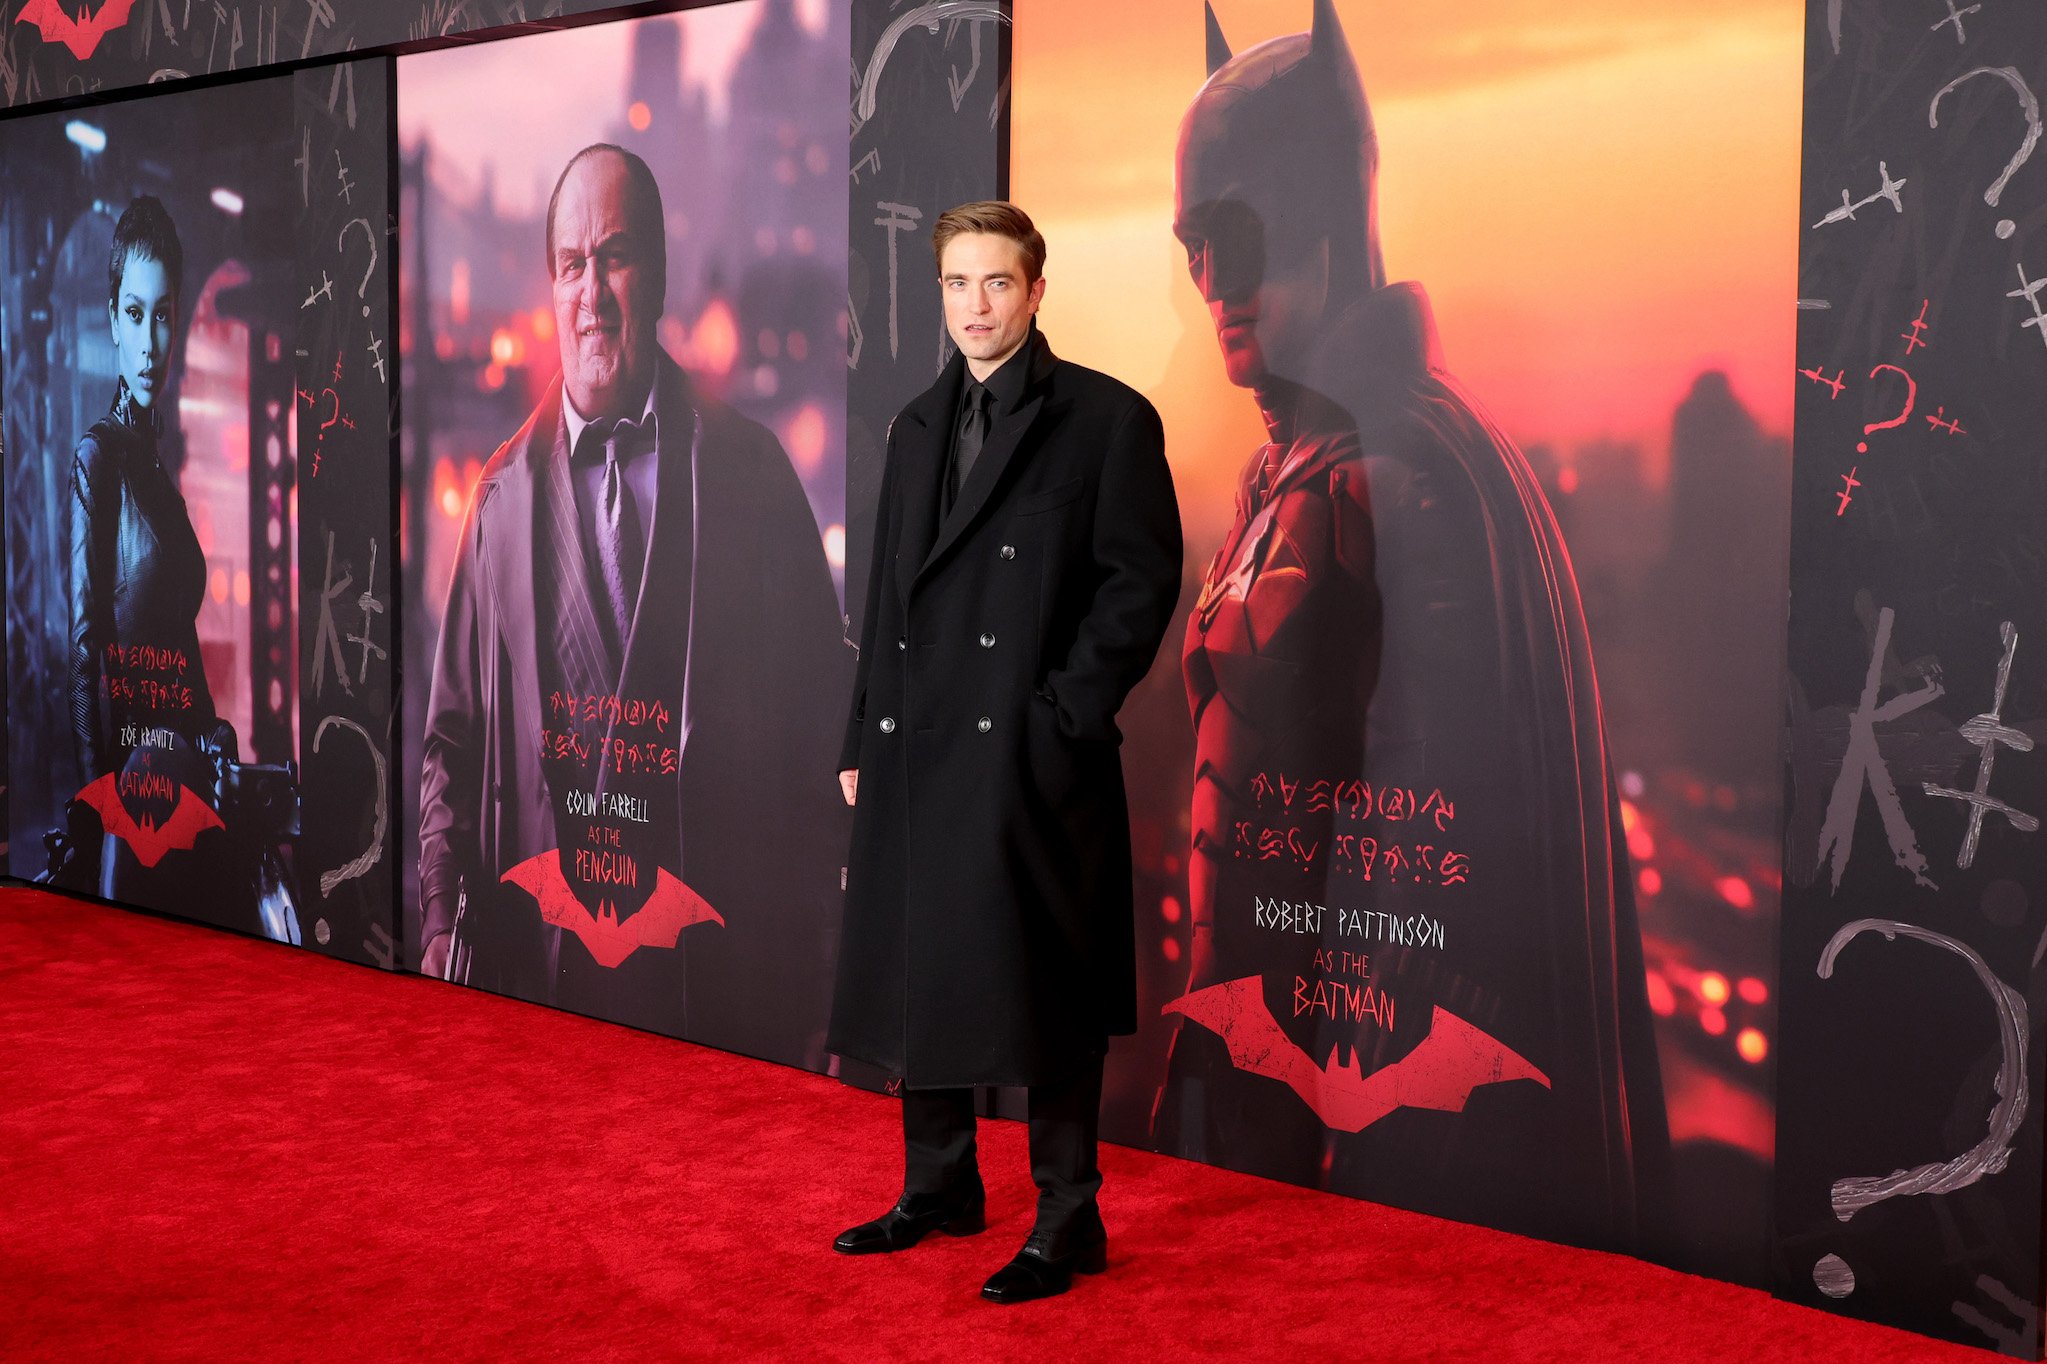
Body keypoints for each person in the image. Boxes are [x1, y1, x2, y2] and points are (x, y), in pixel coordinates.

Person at [1153, 0, 1670, 1253]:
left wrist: (1376, 1142)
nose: (1212, 281)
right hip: (1262, 1078)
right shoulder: (1291, 473)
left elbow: (1442, 869)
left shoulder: (1410, 475)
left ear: (1327, 217)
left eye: (1236, 232)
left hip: (1377, 1120)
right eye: (1192, 244)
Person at [417, 145, 847, 1062]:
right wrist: (439, 925)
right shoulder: (495, 505)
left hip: (724, 993)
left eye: (613, 257)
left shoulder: (755, 475)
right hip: (547, 985)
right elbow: (449, 745)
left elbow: (823, 728)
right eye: (571, 265)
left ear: (656, 275)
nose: (592, 293)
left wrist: (820, 969)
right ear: (550, 287)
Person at [829, 202, 1181, 1303]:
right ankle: (939, 1182)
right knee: (916, 961)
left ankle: (1069, 1214)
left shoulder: (1106, 420)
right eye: (955, 284)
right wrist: (858, 732)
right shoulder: (914, 426)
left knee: (1051, 981)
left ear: (1036, 291)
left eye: (994, 284)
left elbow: (1140, 583)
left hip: (1027, 752)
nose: (974, 307)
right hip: (916, 742)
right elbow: (890, 594)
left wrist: (1062, 712)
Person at [63, 195, 237, 904]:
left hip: (182, 782)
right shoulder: (97, 459)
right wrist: (93, 815)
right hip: (132, 803)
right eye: (135, 315)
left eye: (164, 317)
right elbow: (84, 654)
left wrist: (209, 731)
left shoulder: (156, 468)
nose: (150, 343)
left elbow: (173, 642)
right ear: (112, 320)